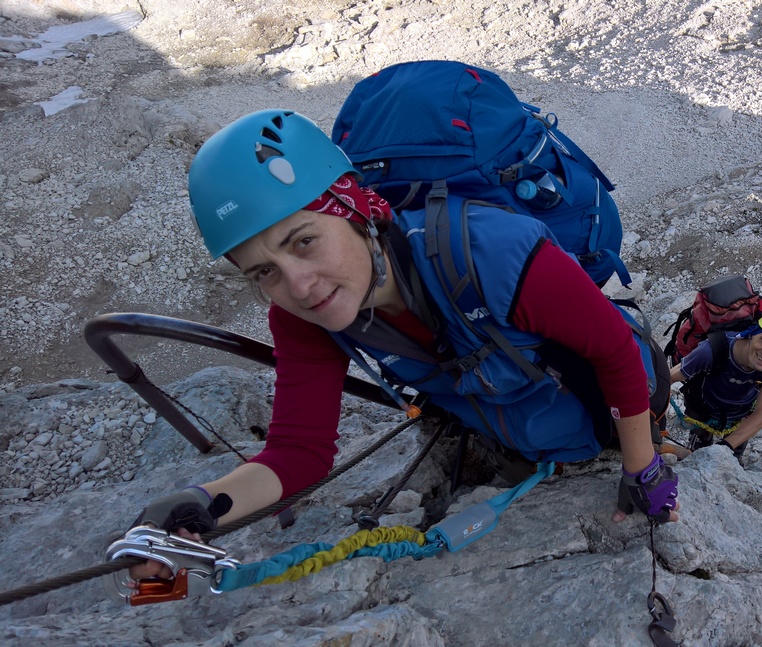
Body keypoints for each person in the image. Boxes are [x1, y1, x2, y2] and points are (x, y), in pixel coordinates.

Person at [124, 109, 679, 582]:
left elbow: (613, 349)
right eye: (264, 272)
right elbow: (298, 451)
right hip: (524, 430)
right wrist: (199, 506)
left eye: (305, 241)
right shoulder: (303, 320)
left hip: (622, 401)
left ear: (356, 211)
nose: (299, 285)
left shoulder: (489, 250)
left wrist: (642, 468)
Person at [668, 305, 762, 459]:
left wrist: (725, 447)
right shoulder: (712, 350)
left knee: (733, 456)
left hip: (740, 415)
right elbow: (669, 377)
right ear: (752, 333)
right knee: (697, 452)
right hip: (702, 409)